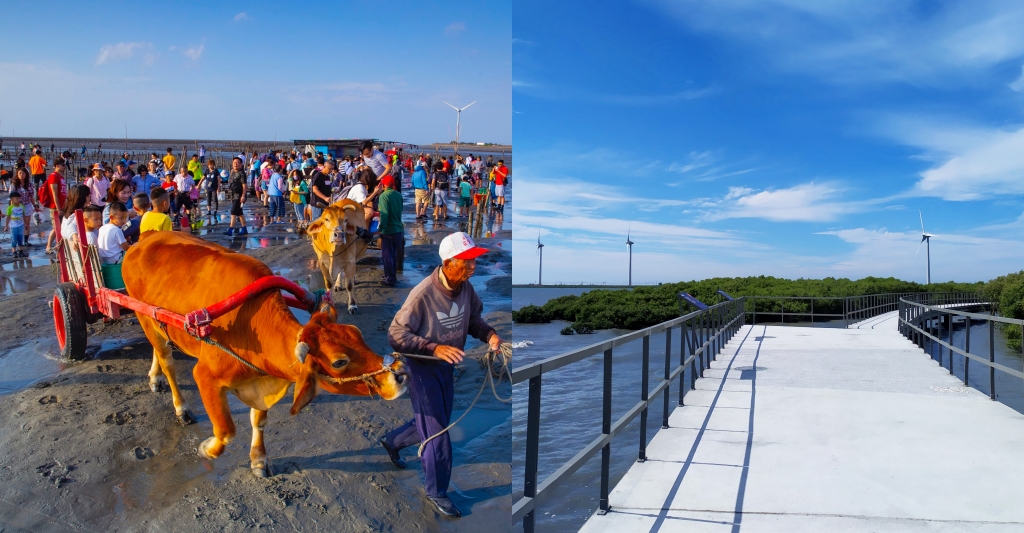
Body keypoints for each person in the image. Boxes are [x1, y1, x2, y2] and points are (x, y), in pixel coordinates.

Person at [380, 231, 502, 518]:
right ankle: (436, 491)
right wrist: (434, 349)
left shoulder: (467, 288)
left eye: (474, 261)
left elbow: (474, 321)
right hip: (421, 367)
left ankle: (392, 441)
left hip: (447, 365)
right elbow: (396, 334)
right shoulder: (422, 294)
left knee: (436, 422)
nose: (473, 267)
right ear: (448, 263)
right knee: (438, 434)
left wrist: (491, 336)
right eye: (467, 262)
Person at [377, 175, 404, 287]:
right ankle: (390, 275)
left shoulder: (384, 196)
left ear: (384, 185)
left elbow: (384, 215)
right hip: (399, 229)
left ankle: (390, 278)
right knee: (393, 254)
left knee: (387, 255)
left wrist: (380, 230)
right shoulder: (399, 195)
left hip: (389, 230)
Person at [42, 159, 68, 254]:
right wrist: (58, 208)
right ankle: (49, 246)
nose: (64, 166)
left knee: (61, 227)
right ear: (57, 165)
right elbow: (54, 193)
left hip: (62, 206)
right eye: (63, 165)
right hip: (55, 207)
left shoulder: (61, 177)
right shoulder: (53, 176)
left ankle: (56, 246)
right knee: (57, 227)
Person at [225, 157, 248, 236]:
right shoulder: (232, 172)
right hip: (232, 196)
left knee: (233, 213)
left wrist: (243, 196)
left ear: (241, 164)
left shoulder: (242, 173)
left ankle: (230, 230)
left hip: (239, 196)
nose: (235, 164)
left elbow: (244, 186)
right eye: (234, 162)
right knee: (239, 213)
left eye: (237, 162)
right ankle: (244, 229)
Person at [5, 191, 26, 257]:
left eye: (19, 198)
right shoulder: (10, 208)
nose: (19, 200)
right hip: (13, 226)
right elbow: (8, 218)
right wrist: (6, 226)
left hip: (21, 225)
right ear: (12, 199)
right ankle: (14, 251)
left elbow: (24, 216)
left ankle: (21, 251)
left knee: (20, 238)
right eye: (17, 198)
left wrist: (25, 224)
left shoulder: (22, 207)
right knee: (14, 238)